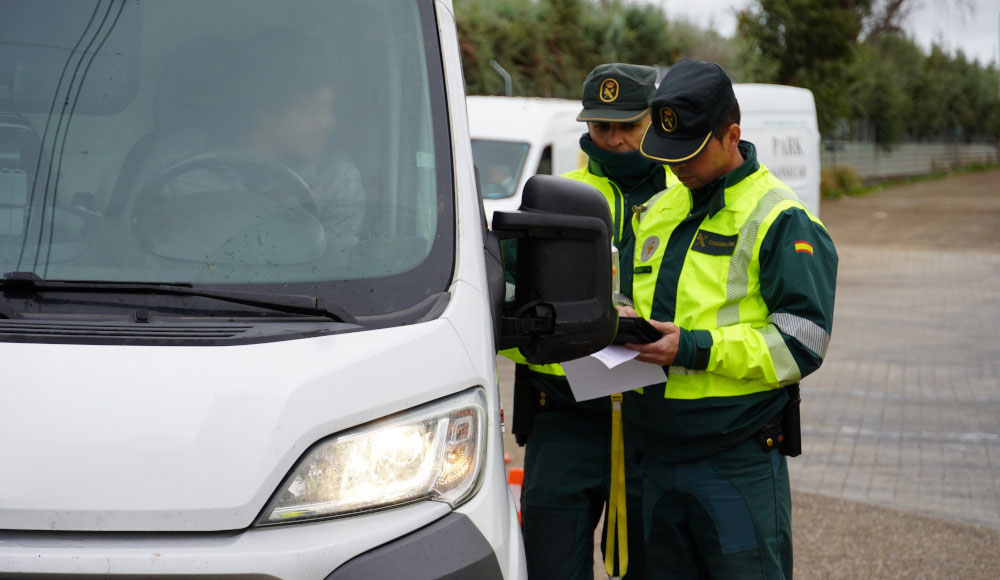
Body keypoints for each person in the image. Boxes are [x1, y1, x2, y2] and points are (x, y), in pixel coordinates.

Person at [619, 58, 838, 579]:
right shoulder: (656, 211)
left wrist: (692, 347)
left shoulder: (782, 217)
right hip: (652, 457)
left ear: (731, 135)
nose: (676, 166)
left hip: (734, 461)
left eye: (689, 154)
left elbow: (802, 342)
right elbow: (623, 297)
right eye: (667, 154)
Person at [504, 63, 675, 580]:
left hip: (658, 423)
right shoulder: (554, 202)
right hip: (564, 420)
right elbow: (505, 314)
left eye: (629, 126)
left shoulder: (688, 200)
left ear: (656, 123)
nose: (616, 140)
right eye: (603, 127)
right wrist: (560, 335)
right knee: (551, 567)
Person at [135, 33, 366, 246]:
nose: (327, 122)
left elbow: (336, 275)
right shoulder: (175, 159)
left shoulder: (337, 179)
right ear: (264, 109)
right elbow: (132, 253)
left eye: (328, 108)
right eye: (309, 110)